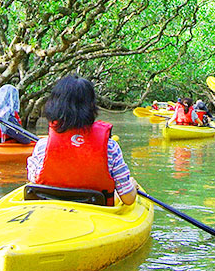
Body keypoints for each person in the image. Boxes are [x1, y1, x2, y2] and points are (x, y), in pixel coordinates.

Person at [26, 75, 137, 205]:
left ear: (55, 105)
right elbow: (128, 199)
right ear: (91, 106)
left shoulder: (42, 146)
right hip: (95, 215)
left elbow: (33, 185)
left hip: (51, 213)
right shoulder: (110, 147)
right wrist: (133, 186)